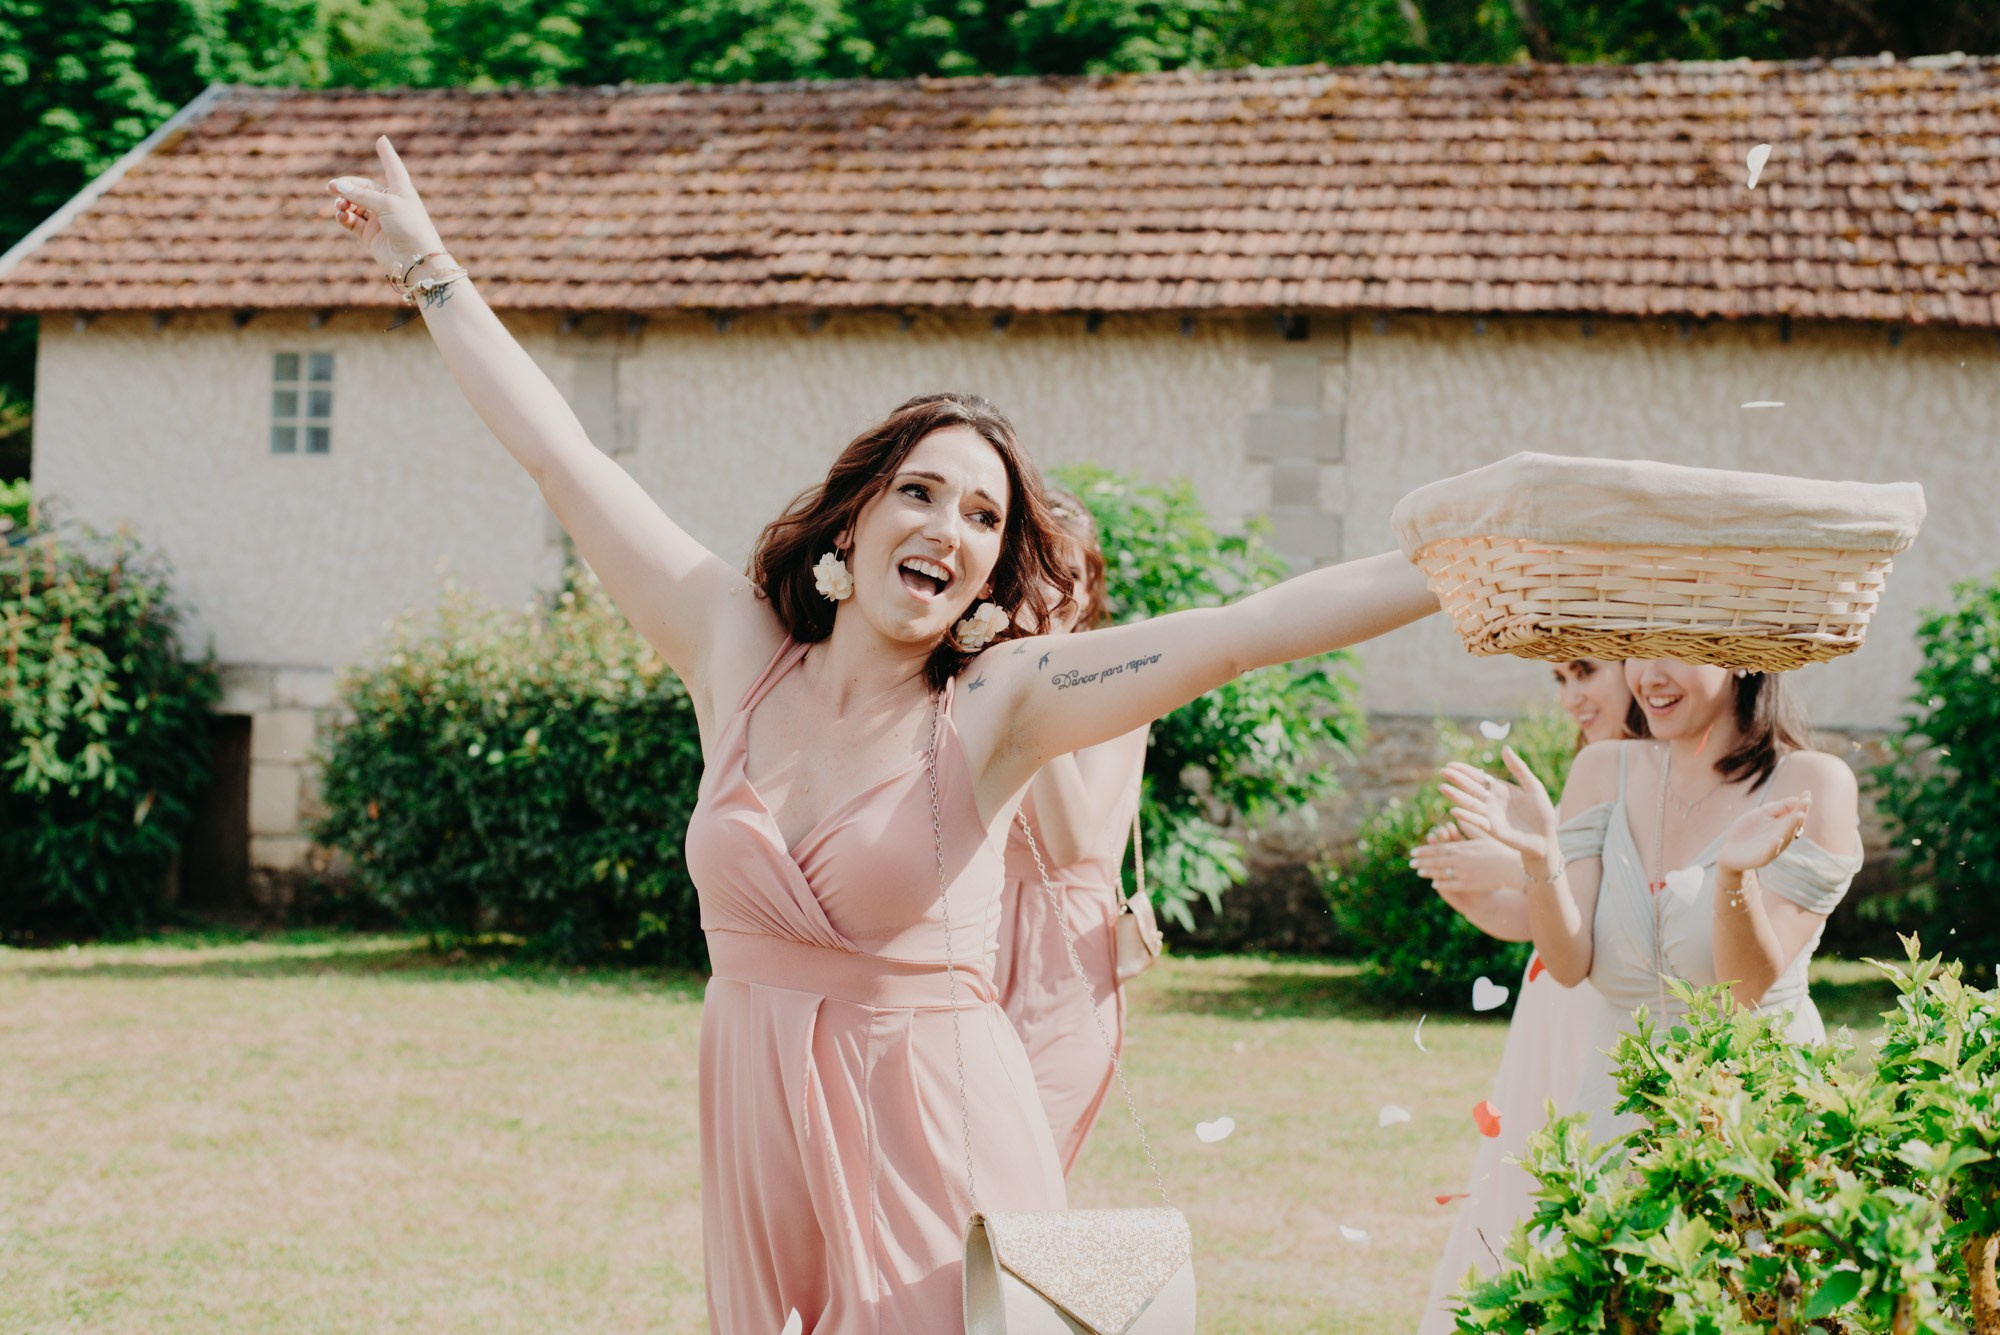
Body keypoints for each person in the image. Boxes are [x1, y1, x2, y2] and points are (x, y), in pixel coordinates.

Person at [327, 140, 1442, 1335]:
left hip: (936, 1137)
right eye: (920, 491)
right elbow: (564, 459)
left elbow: (1241, 633)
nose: (948, 527)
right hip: (756, 1116)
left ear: (982, 577)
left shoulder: (1001, 705)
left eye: (982, 517)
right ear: (850, 525)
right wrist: (428, 266)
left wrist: (1463, 559)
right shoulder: (735, 650)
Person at [1439, 660, 1864, 1158]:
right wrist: (1541, 858)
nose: (1650, 676)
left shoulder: (1812, 782)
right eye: (1640, 649)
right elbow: (1568, 964)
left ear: (1738, 655)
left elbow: (1743, 991)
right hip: (1616, 1109)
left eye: (1674, 648)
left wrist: (1733, 879)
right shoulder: (1600, 768)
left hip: (1756, 1113)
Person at [1408, 660, 1644, 1335]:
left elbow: (1618, 892)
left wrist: (1515, 857)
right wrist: (1474, 892)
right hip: (1550, 1002)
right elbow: (1545, 918)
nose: (1572, 696)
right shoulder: (1593, 764)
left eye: (1586, 673)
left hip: (1603, 1003)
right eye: (1559, 680)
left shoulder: (1656, 767)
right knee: (1524, 1170)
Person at [992, 489, 1149, 1174]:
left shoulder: (1123, 694)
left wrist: (1038, 686)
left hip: (1069, 969)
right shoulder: (981, 683)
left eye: (1066, 577)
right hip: (972, 946)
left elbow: (1071, 839)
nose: (1047, 593)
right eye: (1031, 573)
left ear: (1088, 591)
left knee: (1022, 1183)